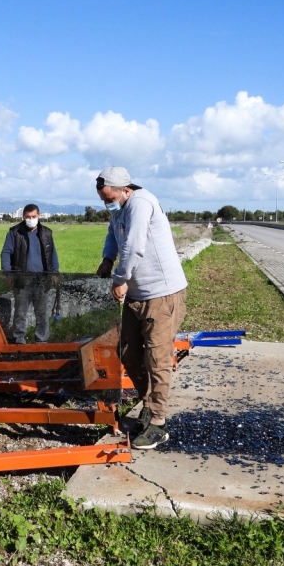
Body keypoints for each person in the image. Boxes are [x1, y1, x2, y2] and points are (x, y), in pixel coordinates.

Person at [95, 167, 187, 449]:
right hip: (137, 295)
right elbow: (114, 234)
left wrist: (120, 279)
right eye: (103, 199)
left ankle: (158, 423)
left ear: (125, 189)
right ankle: (148, 404)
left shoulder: (140, 203)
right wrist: (108, 259)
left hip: (162, 294)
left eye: (109, 198)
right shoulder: (120, 207)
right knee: (128, 352)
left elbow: (134, 246)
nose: (107, 204)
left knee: (157, 359)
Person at [0, 204, 60, 344]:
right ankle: (19, 341)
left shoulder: (46, 233)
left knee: (42, 314)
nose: (30, 219)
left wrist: (54, 273)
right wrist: (7, 274)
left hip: (41, 279)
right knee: (20, 313)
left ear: (39, 216)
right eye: (27, 217)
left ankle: (41, 341)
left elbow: (52, 255)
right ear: (23, 217)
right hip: (22, 279)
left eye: (33, 217)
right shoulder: (15, 232)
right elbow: (6, 253)